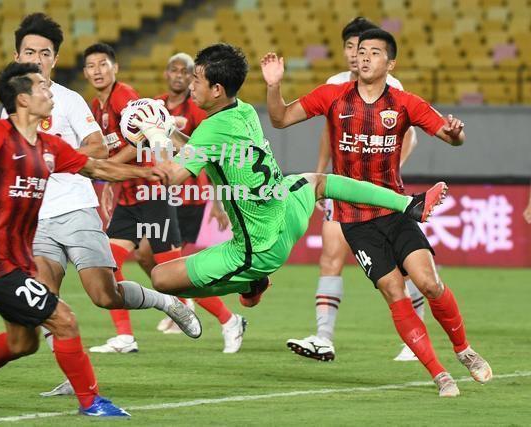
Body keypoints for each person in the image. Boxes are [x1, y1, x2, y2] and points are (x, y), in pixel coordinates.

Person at [0, 14, 200, 399]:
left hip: (76, 208)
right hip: (35, 221)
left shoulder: (65, 99)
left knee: (104, 294)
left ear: (55, 58)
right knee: (46, 303)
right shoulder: (12, 107)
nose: (37, 58)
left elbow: (96, 151)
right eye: (29, 51)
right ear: (18, 55)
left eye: (44, 53)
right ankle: (74, 375)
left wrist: (50, 159)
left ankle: (167, 302)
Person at [126, 43, 444, 327]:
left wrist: (154, 135)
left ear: (217, 89)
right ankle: (408, 203)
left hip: (258, 246)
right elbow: (203, 148)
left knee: (160, 278)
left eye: (197, 80)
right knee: (319, 181)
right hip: (286, 206)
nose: (192, 86)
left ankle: (250, 283)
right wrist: (168, 131)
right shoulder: (244, 111)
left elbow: (174, 177)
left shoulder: (211, 130)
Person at [261, 29, 491, 396]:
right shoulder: (332, 96)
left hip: (394, 208)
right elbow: (280, 120)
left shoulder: (404, 103)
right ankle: (439, 374)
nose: (364, 57)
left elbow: (451, 137)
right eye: (360, 51)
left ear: (390, 63)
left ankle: (464, 350)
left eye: (374, 52)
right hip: (354, 219)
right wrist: (274, 86)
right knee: (393, 290)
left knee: (429, 282)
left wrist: (456, 132)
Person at [285, 17, 424, 363]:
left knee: (400, 271)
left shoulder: (391, 86)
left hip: (381, 193)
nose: (355, 55)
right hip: (341, 188)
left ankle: (416, 333)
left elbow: (411, 135)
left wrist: (389, 179)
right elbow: (326, 134)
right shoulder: (334, 86)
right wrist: (319, 178)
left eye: (362, 48)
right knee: (330, 257)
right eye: (350, 47)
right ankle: (323, 337)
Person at [81, 43, 196, 355]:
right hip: (130, 196)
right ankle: (125, 336)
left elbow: (143, 134)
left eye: (103, 64)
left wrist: (110, 169)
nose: (97, 71)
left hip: (151, 190)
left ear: (115, 68)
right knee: (108, 262)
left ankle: (229, 320)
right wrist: (109, 178)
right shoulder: (97, 106)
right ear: (84, 72)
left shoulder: (123, 96)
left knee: (172, 270)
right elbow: (109, 150)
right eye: (91, 66)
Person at [130, 52, 247, 353]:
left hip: (188, 197)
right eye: (176, 70)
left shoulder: (200, 111)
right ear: (167, 74)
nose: (182, 77)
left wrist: (217, 203)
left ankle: (226, 318)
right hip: (159, 195)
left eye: (190, 73)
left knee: (171, 266)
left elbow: (205, 156)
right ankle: (185, 303)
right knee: (146, 255)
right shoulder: (154, 106)